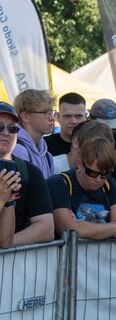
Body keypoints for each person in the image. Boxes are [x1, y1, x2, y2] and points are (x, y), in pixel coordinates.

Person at [46, 135, 116, 242]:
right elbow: (69, 229)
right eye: (92, 173)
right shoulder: (59, 183)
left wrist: (81, 226)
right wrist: (114, 228)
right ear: (80, 164)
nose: (99, 179)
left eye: (105, 174)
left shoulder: (108, 183)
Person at [0, 101, 54, 248]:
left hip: (17, 266)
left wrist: (9, 244)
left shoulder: (28, 172)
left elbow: (47, 228)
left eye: (12, 128)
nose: (6, 132)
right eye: (0, 127)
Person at [12, 89, 56, 179]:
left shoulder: (47, 156)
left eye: (51, 112)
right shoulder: (18, 150)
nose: (52, 117)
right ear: (25, 116)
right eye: (45, 112)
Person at [45, 92, 89, 171]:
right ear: (58, 117)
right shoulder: (44, 146)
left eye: (78, 116)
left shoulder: (94, 146)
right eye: (67, 116)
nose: (73, 121)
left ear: (85, 117)